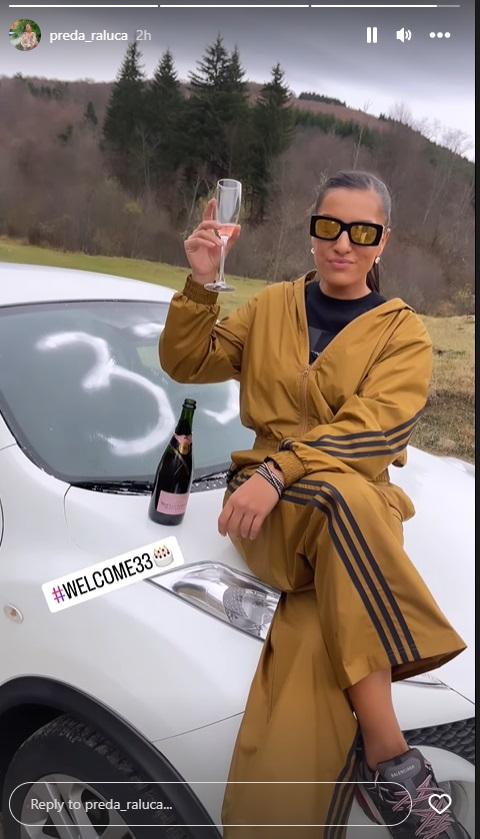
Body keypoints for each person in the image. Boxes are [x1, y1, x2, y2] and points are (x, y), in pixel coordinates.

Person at [159, 170, 468, 838]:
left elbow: (376, 431)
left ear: (384, 241)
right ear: (311, 230)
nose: (342, 244)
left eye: (362, 231)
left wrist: (284, 467)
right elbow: (188, 362)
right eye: (329, 227)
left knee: (315, 626)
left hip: (346, 510)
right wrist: (203, 284)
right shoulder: (272, 306)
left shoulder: (402, 334)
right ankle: (391, 756)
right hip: (269, 517)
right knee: (342, 495)